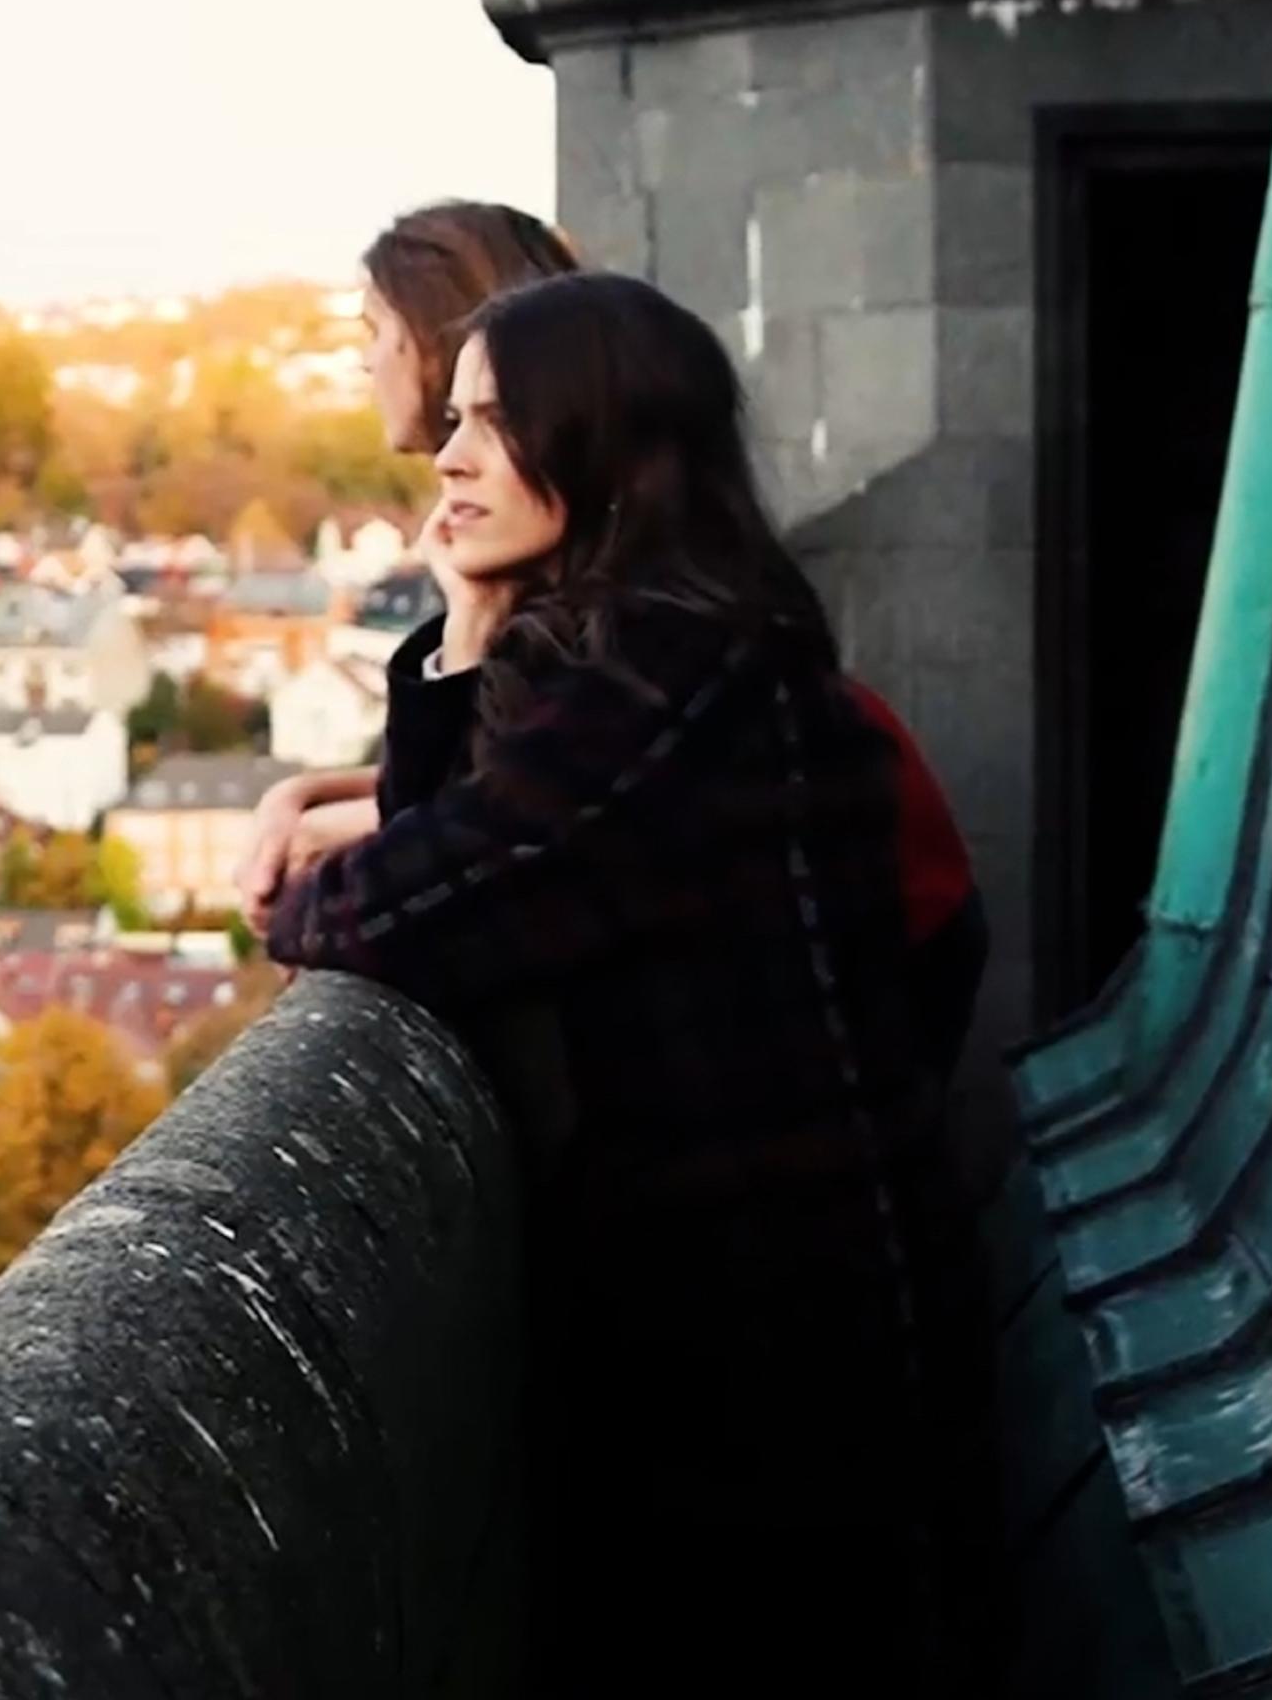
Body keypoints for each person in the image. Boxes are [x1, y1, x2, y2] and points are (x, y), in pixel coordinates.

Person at [261, 272, 1007, 1695]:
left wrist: (323, 868)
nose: (450, 459)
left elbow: (382, 907)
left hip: (778, 1361)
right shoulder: (690, 646)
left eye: (495, 423)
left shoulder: (669, 684)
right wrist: (466, 624)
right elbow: (449, 848)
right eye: (453, 420)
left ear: (604, 436)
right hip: (788, 1320)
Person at [234, 202, 581, 902]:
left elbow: (498, 811)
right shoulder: (520, 528)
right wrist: (306, 794)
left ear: (432, 339)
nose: (366, 360)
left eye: (375, 330)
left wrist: (331, 831)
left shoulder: (551, 569)